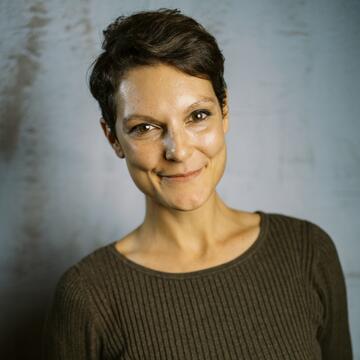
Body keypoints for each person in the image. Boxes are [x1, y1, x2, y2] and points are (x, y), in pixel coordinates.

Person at [41, 8, 353, 359]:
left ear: (225, 111)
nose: (179, 150)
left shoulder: (306, 252)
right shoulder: (87, 294)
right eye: (145, 127)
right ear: (113, 138)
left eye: (198, 116)